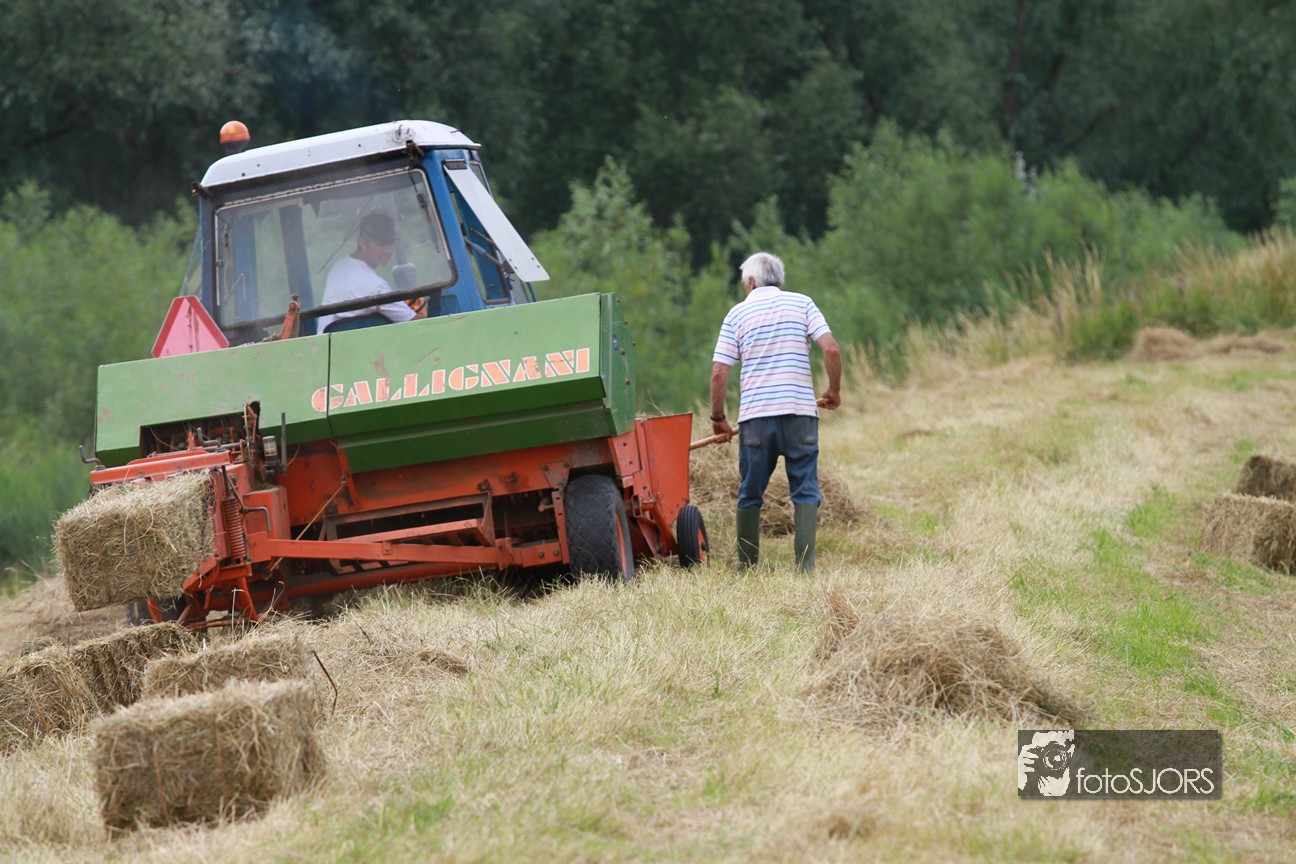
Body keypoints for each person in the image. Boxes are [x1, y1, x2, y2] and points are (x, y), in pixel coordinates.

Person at [709, 251, 841, 572]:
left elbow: (719, 373)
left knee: (750, 493)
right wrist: (833, 390)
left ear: (752, 281)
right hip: (800, 415)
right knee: (805, 491)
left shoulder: (737, 314)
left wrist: (718, 419)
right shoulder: (802, 304)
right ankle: (805, 569)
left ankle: (747, 569)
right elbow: (831, 349)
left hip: (756, 419)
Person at [316, 212, 424, 334]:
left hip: (326, 342)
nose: (388, 251)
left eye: (390, 243)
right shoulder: (376, 287)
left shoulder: (339, 266)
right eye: (381, 244)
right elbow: (416, 324)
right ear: (362, 243)